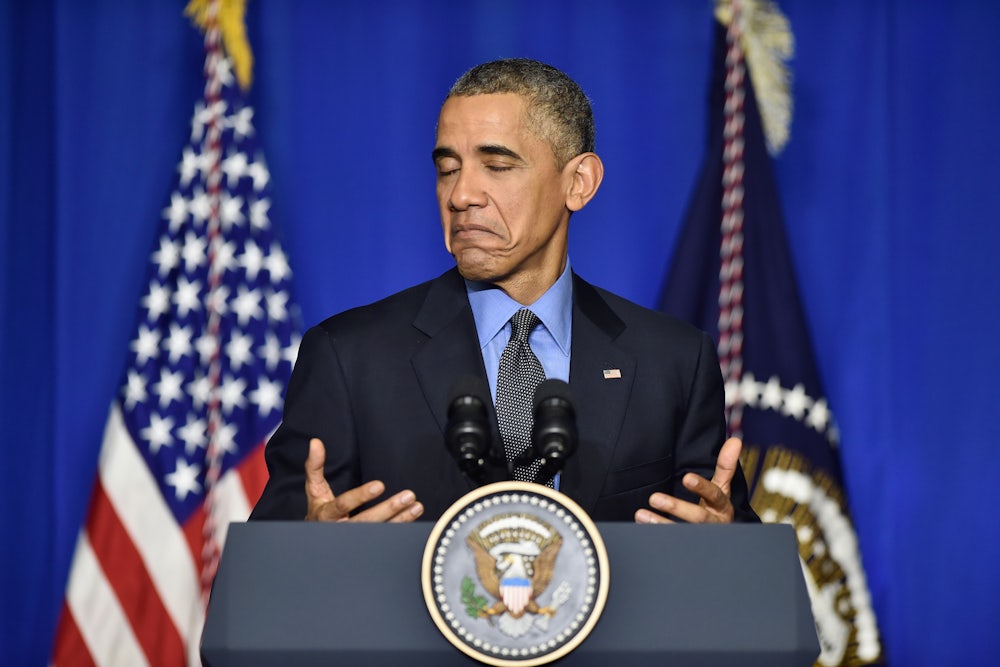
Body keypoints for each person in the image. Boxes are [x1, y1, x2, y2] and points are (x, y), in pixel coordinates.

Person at [250, 58, 758, 525]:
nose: (461, 195)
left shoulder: (673, 362)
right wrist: (310, 549)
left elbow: (739, 563)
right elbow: (265, 567)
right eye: (448, 169)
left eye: (496, 166)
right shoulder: (348, 358)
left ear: (579, 183)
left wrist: (726, 546)